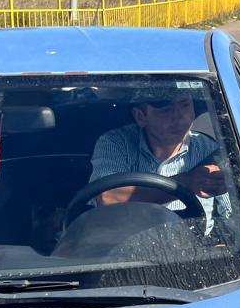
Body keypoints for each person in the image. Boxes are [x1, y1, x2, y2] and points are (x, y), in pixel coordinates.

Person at [88, 87, 231, 239]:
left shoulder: (210, 150)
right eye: (166, 110)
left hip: (198, 247)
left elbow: (232, 216)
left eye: (184, 105)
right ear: (141, 117)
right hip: (126, 247)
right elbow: (108, 198)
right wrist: (186, 183)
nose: (179, 117)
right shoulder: (117, 143)